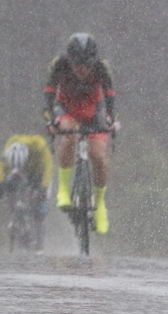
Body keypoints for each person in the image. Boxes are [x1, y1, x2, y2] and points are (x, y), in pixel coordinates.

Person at [44, 32, 116, 235]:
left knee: (98, 157)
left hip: (94, 110)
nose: (82, 71)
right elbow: (48, 96)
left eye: (87, 66)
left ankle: (100, 205)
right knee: (70, 134)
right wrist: (51, 121)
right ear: (69, 60)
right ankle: (64, 191)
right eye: (77, 65)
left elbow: (110, 99)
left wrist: (110, 120)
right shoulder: (58, 65)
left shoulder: (103, 68)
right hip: (66, 108)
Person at [0, 134, 53, 251]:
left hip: (39, 173)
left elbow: (48, 169)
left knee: (39, 209)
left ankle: (39, 245)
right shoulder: (11, 144)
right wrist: (0, 183)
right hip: (20, 171)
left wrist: (44, 188)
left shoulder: (39, 146)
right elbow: (2, 166)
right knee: (10, 188)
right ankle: (17, 218)